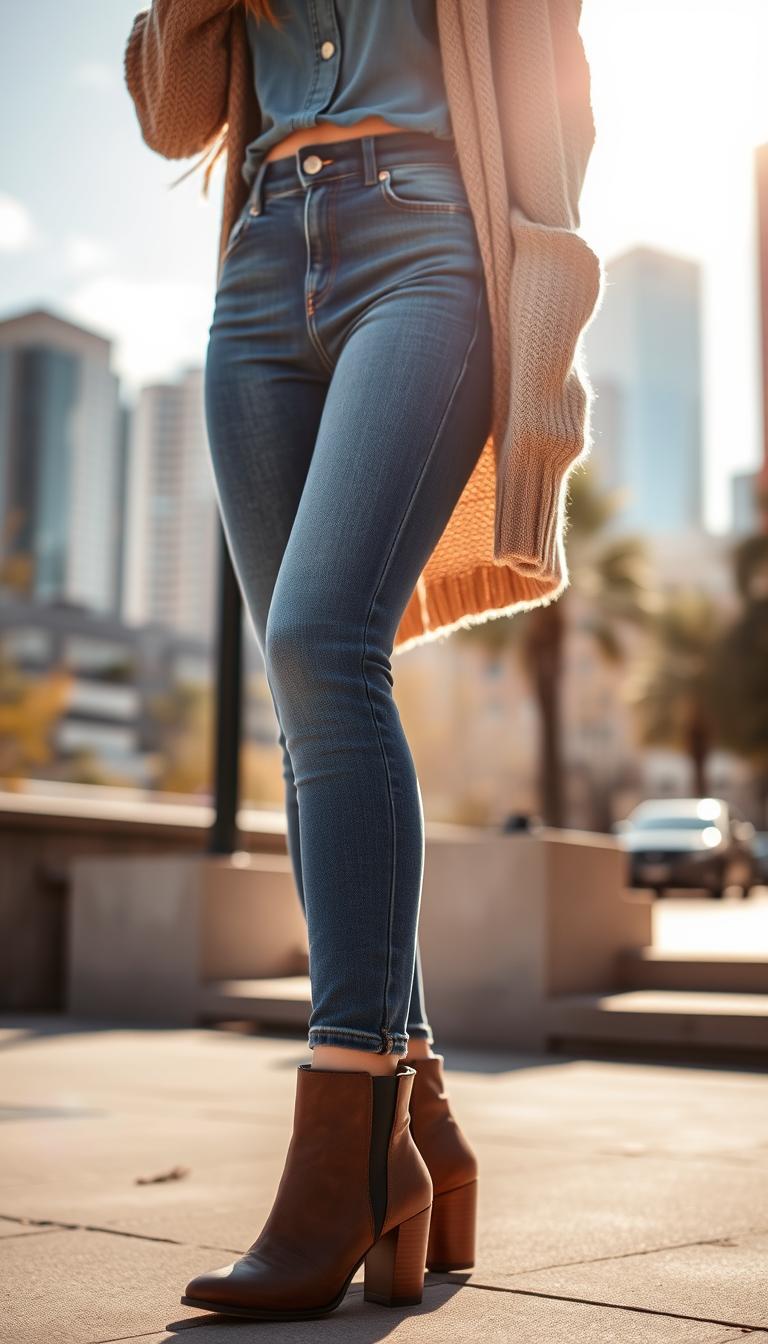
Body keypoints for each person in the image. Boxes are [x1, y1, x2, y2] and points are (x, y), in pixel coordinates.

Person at [123, 0, 601, 1322]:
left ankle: (344, 1140)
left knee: (320, 641)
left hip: (428, 241)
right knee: (310, 698)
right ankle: (421, 1126)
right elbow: (173, 110)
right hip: (261, 261)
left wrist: (547, 254)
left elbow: (552, 69)